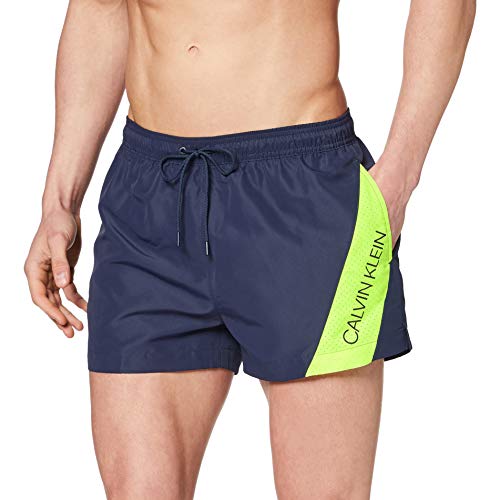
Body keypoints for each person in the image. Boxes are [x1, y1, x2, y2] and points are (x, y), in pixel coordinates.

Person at [24, 1, 475, 498]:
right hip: (150, 201)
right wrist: (59, 202)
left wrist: (399, 178)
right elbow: (100, 7)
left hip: (300, 196)